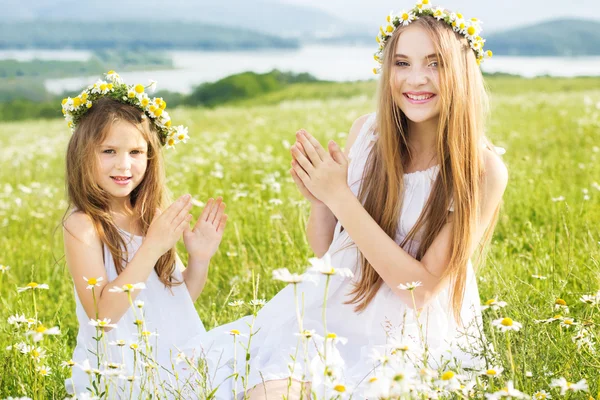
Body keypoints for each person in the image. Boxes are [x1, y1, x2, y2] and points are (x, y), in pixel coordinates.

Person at [199, 2, 507, 398]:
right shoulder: (368, 133)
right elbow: (332, 250)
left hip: (408, 336)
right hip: (337, 309)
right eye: (402, 63)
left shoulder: (481, 170)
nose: (416, 79)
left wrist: (341, 198)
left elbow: (422, 290)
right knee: (265, 390)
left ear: (462, 71)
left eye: (434, 63)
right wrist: (321, 203)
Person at [61, 71, 228, 398]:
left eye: (136, 152)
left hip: (172, 355)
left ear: (150, 158)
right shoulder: (84, 225)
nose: (124, 165)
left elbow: (177, 300)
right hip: (119, 371)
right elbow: (102, 317)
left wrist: (200, 258)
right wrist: (152, 246)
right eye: (108, 151)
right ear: (83, 154)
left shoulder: (150, 216)